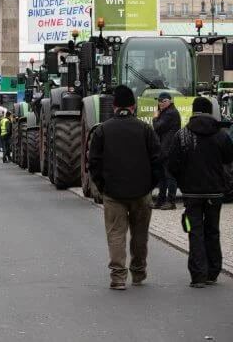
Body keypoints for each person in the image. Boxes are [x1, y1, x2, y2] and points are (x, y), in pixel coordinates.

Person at [88, 85, 161, 290]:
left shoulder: (103, 129)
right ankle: (138, 271)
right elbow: (157, 160)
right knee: (140, 234)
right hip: (141, 191)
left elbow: (93, 162)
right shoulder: (145, 129)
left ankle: (118, 277)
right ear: (134, 106)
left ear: (114, 106)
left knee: (116, 234)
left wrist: (103, 186)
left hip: (113, 192)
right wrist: (150, 184)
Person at [167, 97, 233, 287]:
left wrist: (183, 182)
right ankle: (213, 272)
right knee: (213, 230)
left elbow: (172, 165)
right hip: (215, 195)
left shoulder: (182, 135)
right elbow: (229, 159)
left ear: (194, 111)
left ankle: (198, 275)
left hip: (191, 196)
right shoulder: (221, 135)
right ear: (210, 111)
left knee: (193, 230)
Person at [153, 92, 181, 210]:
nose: (160, 103)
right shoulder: (166, 112)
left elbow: (158, 128)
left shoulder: (171, 113)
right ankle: (160, 201)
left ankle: (171, 201)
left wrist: (155, 118)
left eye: (163, 101)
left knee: (169, 176)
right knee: (162, 177)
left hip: (168, 149)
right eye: (159, 101)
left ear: (169, 101)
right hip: (163, 149)